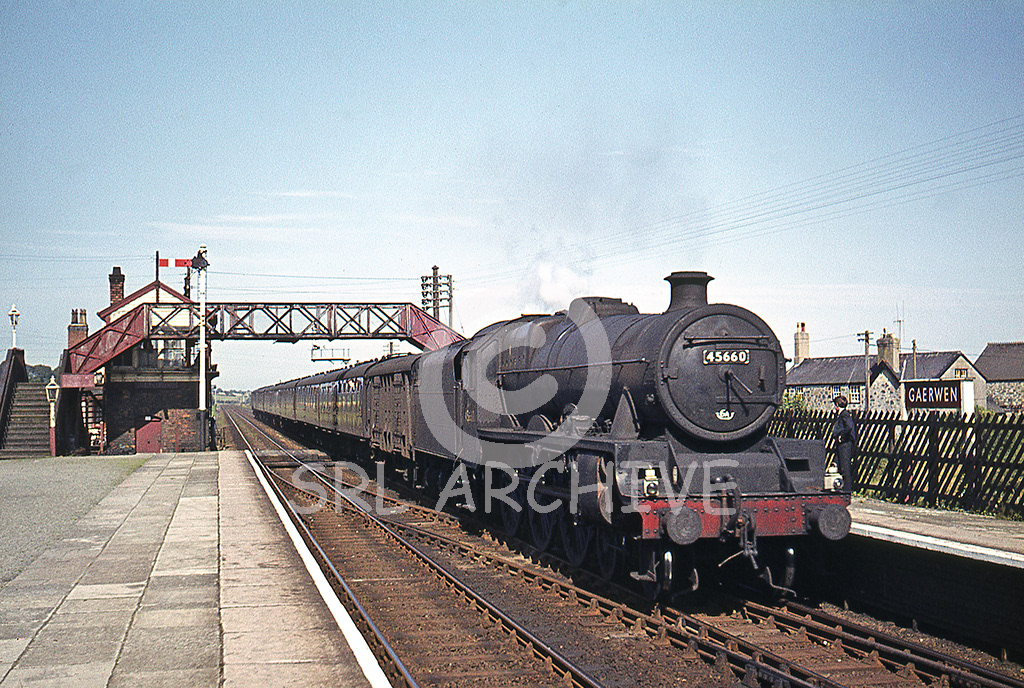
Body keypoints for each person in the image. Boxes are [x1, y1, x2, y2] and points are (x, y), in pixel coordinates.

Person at [831, 395, 856, 492]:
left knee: (845, 467)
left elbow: (849, 427)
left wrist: (842, 436)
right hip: (841, 444)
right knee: (837, 464)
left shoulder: (844, 414)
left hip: (845, 444)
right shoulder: (843, 414)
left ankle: (847, 490)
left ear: (837, 405)